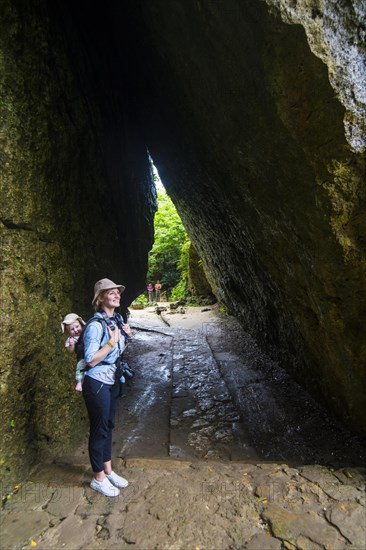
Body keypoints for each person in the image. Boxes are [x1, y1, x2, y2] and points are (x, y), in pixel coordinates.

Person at [82, 278, 132, 497]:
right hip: (97, 382)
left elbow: (118, 351)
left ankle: (108, 471)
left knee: (108, 426)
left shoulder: (117, 320)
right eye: (110, 293)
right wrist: (111, 343)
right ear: (100, 298)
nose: (116, 295)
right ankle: (98, 478)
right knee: (99, 428)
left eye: (117, 293)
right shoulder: (95, 325)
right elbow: (91, 360)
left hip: (112, 379)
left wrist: (126, 337)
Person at [61, 313, 86, 392]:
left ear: (81, 324)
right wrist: (71, 345)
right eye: (72, 329)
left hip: (91, 353)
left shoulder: (86, 331)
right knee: (81, 367)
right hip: (82, 357)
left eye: (77, 326)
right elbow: (70, 351)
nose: (75, 330)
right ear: (68, 331)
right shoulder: (71, 339)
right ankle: (79, 382)